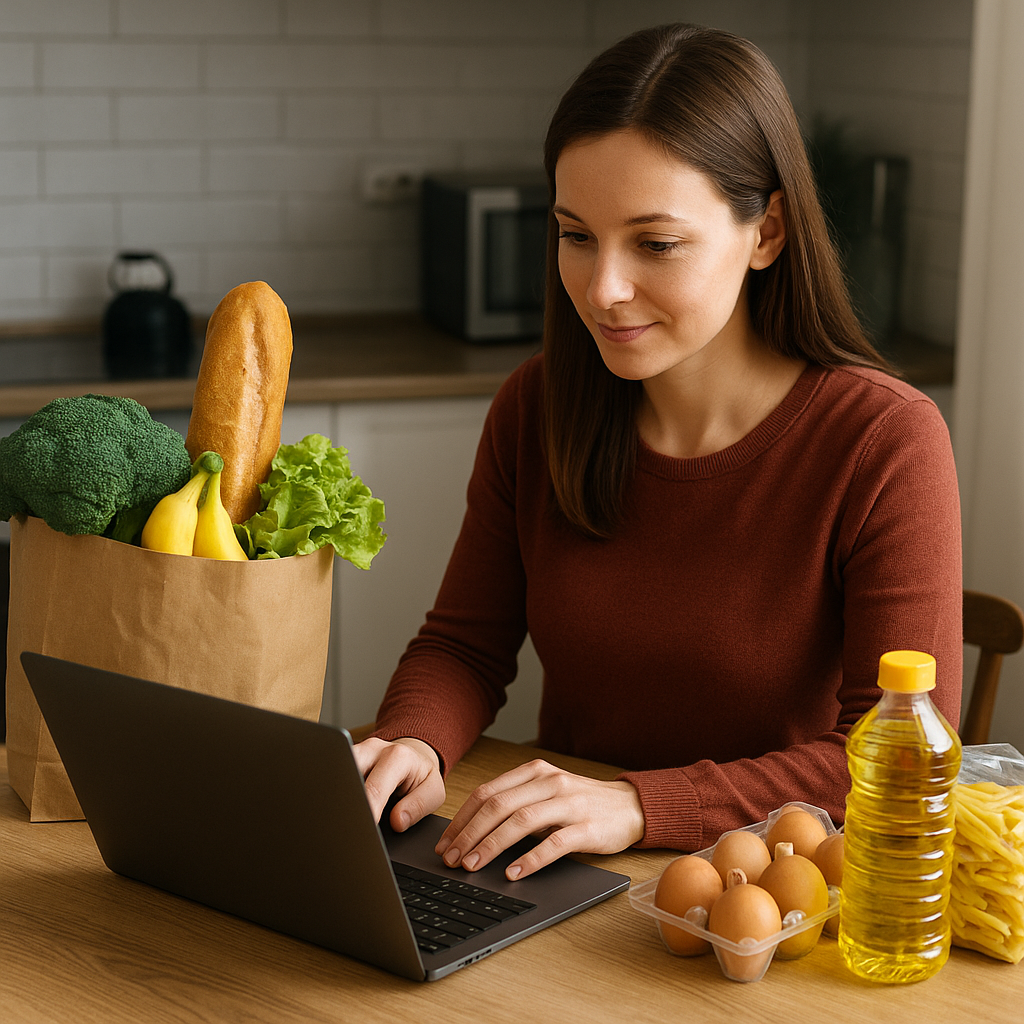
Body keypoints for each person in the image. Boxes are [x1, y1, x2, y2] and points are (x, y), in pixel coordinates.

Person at [353, 23, 962, 882]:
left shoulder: (884, 439)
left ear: (768, 233)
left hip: (772, 905)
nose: (601, 290)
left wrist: (643, 803)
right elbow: (464, 645)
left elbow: (893, 759)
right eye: (575, 235)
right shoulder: (537, 407)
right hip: (567, 880)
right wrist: (410, 739)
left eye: (656, 244)